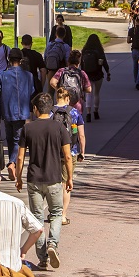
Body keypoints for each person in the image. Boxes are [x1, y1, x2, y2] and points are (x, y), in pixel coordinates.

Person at [15, 92, 73, 271]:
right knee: (55, 214)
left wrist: (18, 177)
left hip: (34, 179)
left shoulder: (28, 129)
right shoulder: (59, 128)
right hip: (54, 178)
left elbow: (20, 157)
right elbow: (68, 156)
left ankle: (42, 259)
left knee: (37, 219)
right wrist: (69, 177)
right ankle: (53, 245)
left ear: (35, 109)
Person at [0, 48, 34, 181]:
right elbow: (31, 91)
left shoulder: (1, 76)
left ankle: (12, 162)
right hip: (22, 111)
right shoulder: (28, 75)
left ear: (9, 60)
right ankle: (12, 162)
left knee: (10, 139)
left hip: (7, 111)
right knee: (18, 139)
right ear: (21, 60)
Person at [51, 87, 85, 226]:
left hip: (52, 152)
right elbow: (81, 135)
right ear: (67, 98)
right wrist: (82, 151)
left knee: (53, 183)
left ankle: (54, 212)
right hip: (70, 152)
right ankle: (63, 215)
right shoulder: (75, 113)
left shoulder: (49, 112)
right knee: (66, 184)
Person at [49, 49, 92, 114]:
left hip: (63, 102)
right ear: (79, 62)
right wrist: (80, 89)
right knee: (76, 122)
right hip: (77, 103)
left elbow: (52, 82)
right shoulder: (81, 73)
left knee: (62, 120)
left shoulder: (62, 71)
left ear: (68, 60)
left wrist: (60, 89)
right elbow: (89, 89)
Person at [80, 34, 111, 121]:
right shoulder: (99, 51)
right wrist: (108, 72)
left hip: (87, 75)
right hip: (98, 74)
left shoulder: (85, 51)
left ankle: (88, 114)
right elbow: (104, 63)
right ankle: (96, 112)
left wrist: (82, 74)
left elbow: (82, 64)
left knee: (88, 94)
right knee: (96, 93)